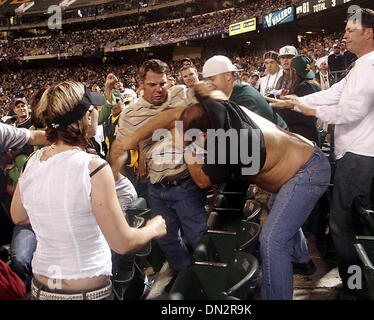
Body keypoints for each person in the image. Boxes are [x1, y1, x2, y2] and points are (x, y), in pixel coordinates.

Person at [113, 83, 331, 300]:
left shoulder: (231, 147)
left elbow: (200, 180)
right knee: (279, 212)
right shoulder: (218, 110)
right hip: (302, 158)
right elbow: (173, 115)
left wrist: (187, 146)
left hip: (306, 172)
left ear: (206, 136)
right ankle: (302, 260)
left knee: (273, 240)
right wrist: (129, 139)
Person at [274, 8, 374, 298]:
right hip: (355, 153)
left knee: (342, 225)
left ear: (368, 32)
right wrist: (294, 102)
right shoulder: (363, 64)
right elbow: (335, 93)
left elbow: (353, 110)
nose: (344, 35)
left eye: (350, 30)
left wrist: (309, 109)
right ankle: (359, 283)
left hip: (361, 154)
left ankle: (355, 288)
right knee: (350, 224)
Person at [10, 81, 166, 300]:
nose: (95, 112)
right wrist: (153, 228)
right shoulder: (92, 166)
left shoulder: (32, 160)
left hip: (41, 288)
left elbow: (18, 215)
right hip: (85, 292)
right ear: (84, 117)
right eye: (92, 108)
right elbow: (123, 242)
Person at [109, 59, 207, 283]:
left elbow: (206, 112)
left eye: (162, 83)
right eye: (152, 85)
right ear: (141, 83)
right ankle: (187, 279)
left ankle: (210, 279)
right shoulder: (130, 114)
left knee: (198, 235)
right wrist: (115, 175)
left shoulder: (181, 93)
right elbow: (122, 147)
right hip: (156, 185)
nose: (159, 89)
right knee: (166, 238)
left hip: (185, 180)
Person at [201, 55, 288, 130]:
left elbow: (245, 139)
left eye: (212, 79)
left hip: (282, 145)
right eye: (205, 80)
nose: (208, 84)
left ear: (227, 76)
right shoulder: (228, 92)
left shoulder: (246, 98)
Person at [270, 54, 321, 146]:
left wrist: (282, 106)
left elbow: (298, 116)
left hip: (303, 139)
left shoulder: (304, 87)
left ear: (293, 71)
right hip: (310, 136)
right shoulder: (314, 85)